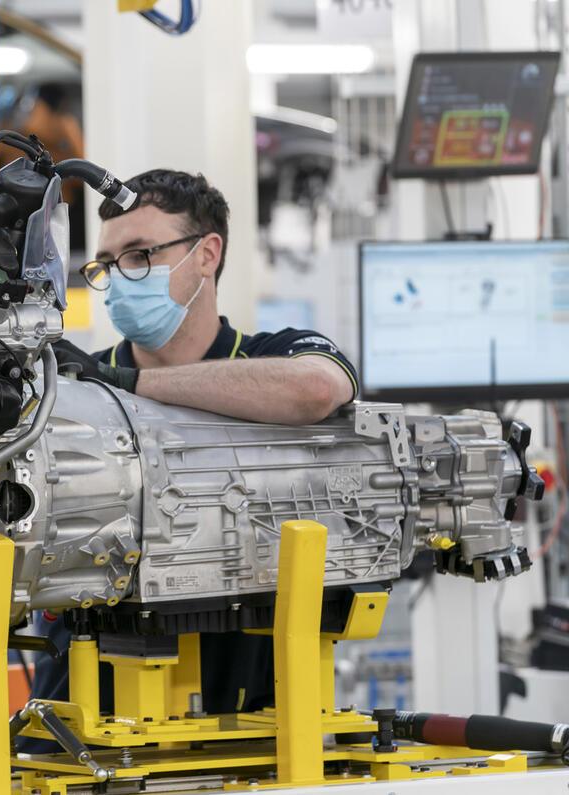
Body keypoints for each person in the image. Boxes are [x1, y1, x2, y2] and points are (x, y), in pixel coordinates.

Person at [23, 169, 360, 747]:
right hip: (84, 729)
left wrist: (130, 384)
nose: (120, 276)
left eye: (140, 255)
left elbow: (318, 390)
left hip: (252, 724)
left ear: (206, 255)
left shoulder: (268, 357)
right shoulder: (72, 384)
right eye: (107, 263)